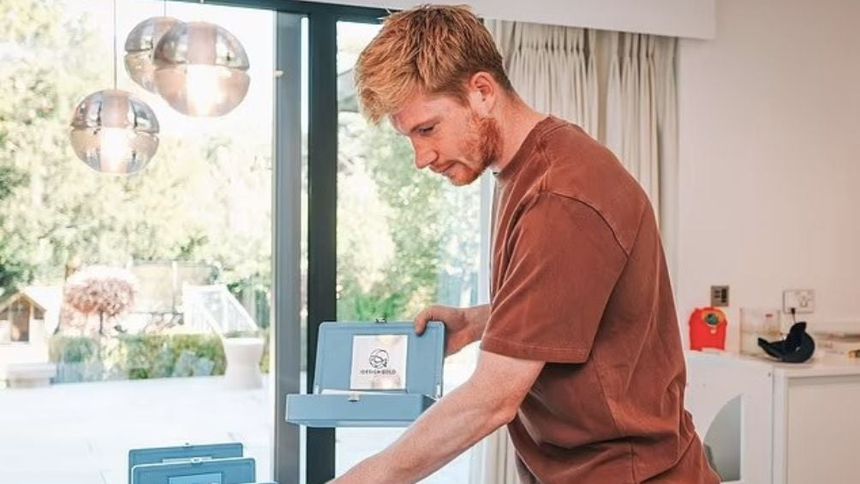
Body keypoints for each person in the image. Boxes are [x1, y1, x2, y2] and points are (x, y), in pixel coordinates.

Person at [334, 5, 719, 483]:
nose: (421, 157)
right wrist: (479, 321)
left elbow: (490, 400)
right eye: (409, 137)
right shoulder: (529, 170)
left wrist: (363, 478)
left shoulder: (561, 194)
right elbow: (569, 303)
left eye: (427, 129)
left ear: (481, 91)